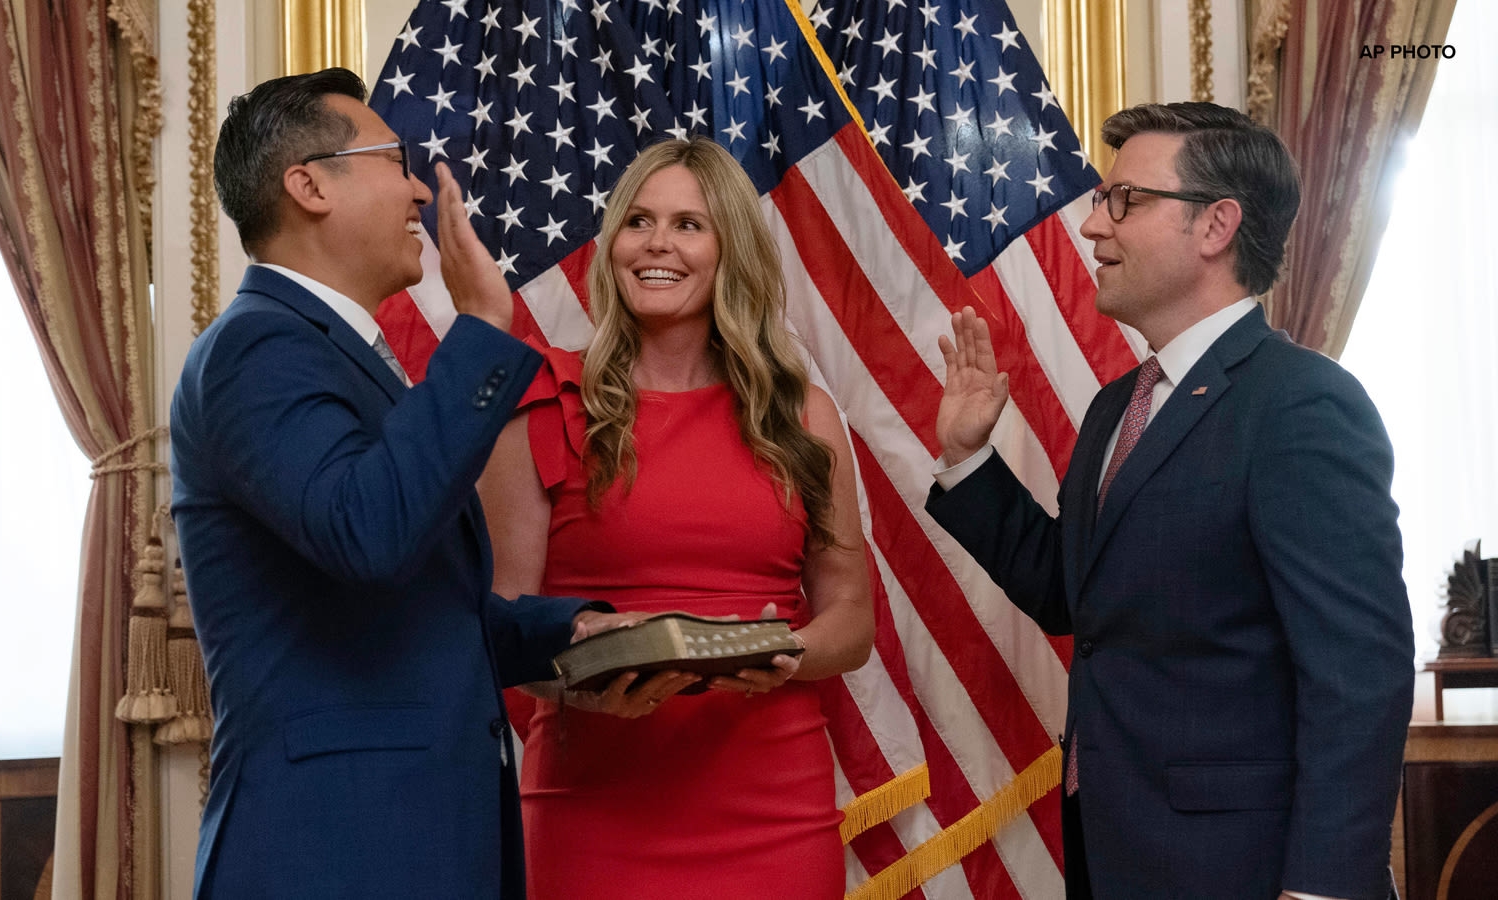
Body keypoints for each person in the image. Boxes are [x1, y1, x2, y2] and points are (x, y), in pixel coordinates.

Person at [926, 102, 1414, 900]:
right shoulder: (1119, 407)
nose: (1093, 226)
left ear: (1217, 225)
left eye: (1126, 200)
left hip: (1248, 871)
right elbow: (1072, 593)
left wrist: (1326, 888)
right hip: (1118, 856)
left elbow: (1360, 675)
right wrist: (967, 458)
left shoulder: (1301, 405)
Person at [170, 68, 627, 899]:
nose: (420, 187)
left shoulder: (341, 353)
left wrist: (576, 634)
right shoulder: (256, 349)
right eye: (396, 160)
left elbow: (413, 611)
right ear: (308, 186)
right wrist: (484, 329)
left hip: (418, 839)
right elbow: (368, 534)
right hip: (334, 848)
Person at [476, 137, 874, 898]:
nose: (658, 243)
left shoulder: (803, 416)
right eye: (639, 221)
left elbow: (851, 618)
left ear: (732, 251)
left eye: (690, 225)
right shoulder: (542, 404)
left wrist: (787, 649)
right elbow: (499, 628)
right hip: (587, 812)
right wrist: (582, 685)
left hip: (774, 814)